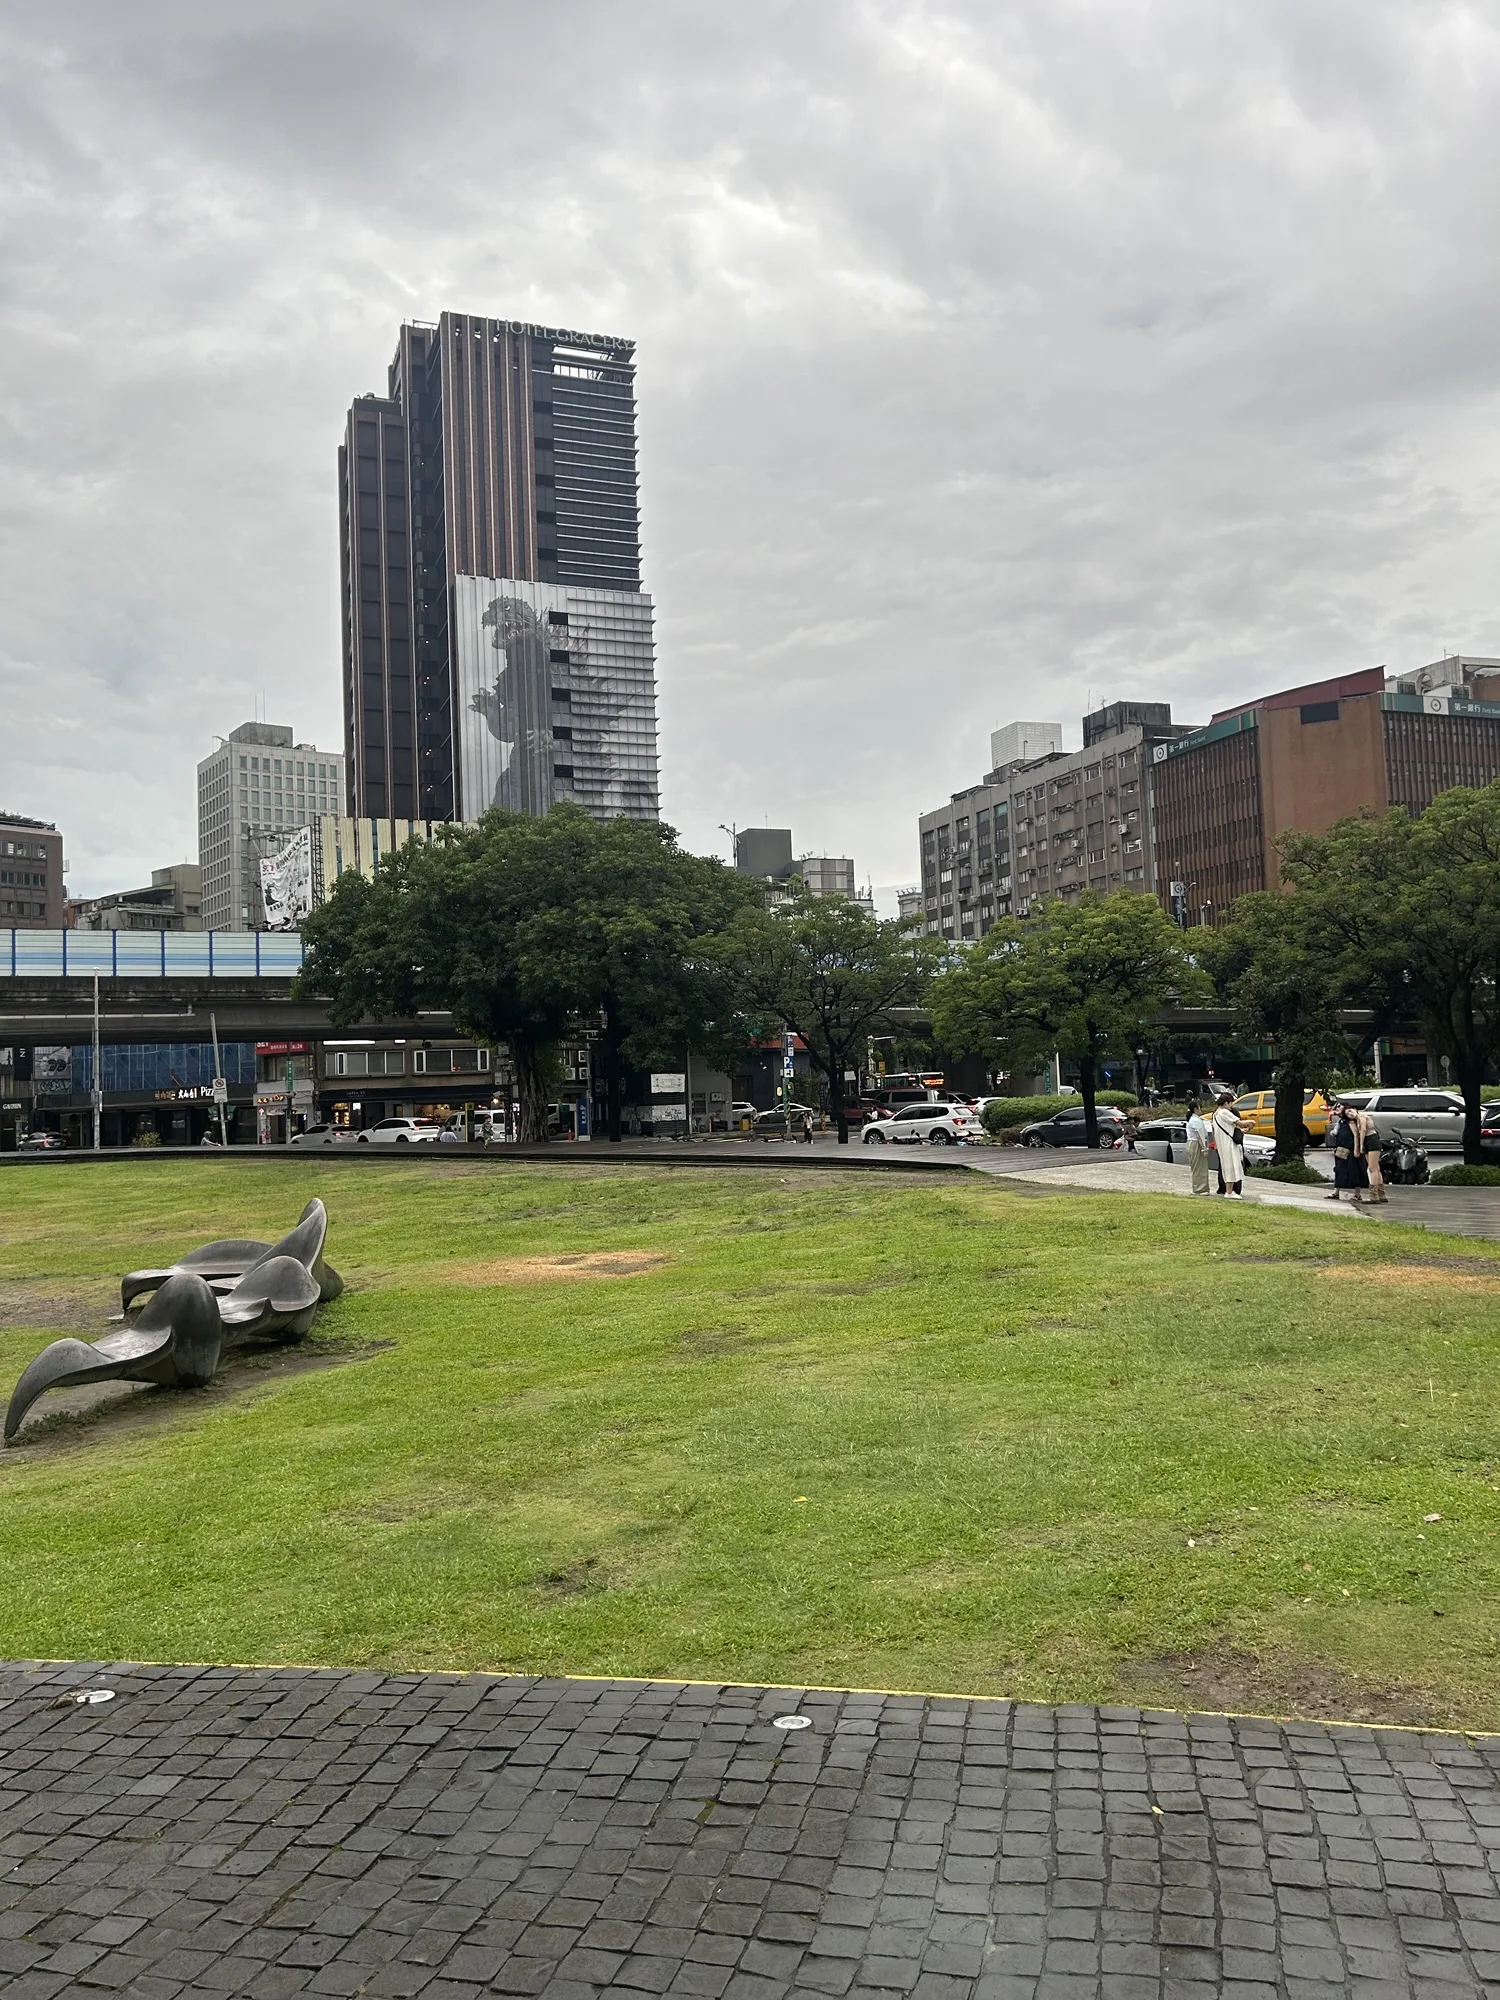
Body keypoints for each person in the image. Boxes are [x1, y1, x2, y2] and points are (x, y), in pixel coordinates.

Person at [1326, 1099, 1368, 1201]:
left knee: (1355, 1171)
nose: (1337, 1108)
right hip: (1341, 1148)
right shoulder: (1341, 1121)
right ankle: (1336, 1192)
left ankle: (1357, 1194)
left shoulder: (1351, 1121)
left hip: (1351, 1149)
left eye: (1339, 1106)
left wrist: (1356, 1149)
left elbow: (1356, 1135)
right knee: (1339, 1170)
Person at [1210, 1091, 1245, 1198]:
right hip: (1228, 1143)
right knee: (1231, 1166)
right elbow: (1239, 1123)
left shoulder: (1215, 1114)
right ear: (1226, 1103)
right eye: (1230, 1103)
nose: (1231, 1106)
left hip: (1222, 1144)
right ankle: (1230, 1191)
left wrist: (1215, 1143)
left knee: (1225, 1167)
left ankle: (1227, 1189)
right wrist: (1251, 1123)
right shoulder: (1224, 1112)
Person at [1351, 1102, 1386, 1203]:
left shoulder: (1362, 1116)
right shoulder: (1355, 1120)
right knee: (1376, 1168)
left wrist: (1361, 1145)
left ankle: (1373, 1196)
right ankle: (1381, 1194)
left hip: (1371, 1140)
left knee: (1372, 1169)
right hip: (1368, 1141)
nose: (1350, 1114)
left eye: (1350, 1111)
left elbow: (1363, 1130)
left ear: (1355, 1109)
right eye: (1347, 1113)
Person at [1185, 1100, 1213, 1195]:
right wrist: (1204, 1148)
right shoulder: (1195, 1120)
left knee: (1197, 1167)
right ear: (1196, 1109)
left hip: (1192, 1143)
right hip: (1196, 1144)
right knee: (1199, 1167)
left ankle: (1199, 1187)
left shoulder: (1193, 1119)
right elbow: (1199, 1136)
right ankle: (1200, 1189)